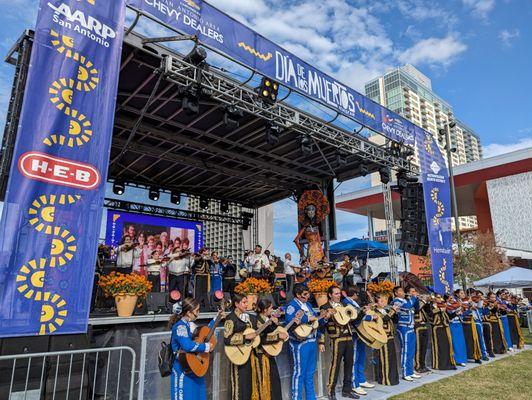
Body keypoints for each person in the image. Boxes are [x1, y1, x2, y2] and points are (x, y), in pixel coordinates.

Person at [168, 298, 223, 400]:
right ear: (189, 313)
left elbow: (203, 334)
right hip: (182, 371)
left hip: (194, 369)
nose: (198, 313)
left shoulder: (190, 325)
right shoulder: (180, 327)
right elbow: (187, 345)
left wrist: (217, 319)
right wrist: (205, 347)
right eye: (197, 311)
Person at [286, 283, 329, 400]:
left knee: (310, 373)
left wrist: (323, 319)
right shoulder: (292, 306)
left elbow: (316, 323)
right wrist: (307, 318)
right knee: (299, 373)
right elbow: (289, 321)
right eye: (305, 294)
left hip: (312, 340)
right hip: (299, 343)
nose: (308, 296)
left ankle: (311, 397)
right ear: (298, 294)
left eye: (308, 293)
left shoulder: (309, 305)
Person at [320, 285, 357, 399]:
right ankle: (331, 392)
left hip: (348, 337)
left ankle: (347, 390)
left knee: (349, 364)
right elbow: (321, 325)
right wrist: (321, 341)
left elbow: (353, 318)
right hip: (336, 338)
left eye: (339, 293)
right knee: (335, 365)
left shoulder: (345, 305)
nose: (338, 295)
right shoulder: (324, 306)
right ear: (330, 295)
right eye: (336, 293)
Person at [224, 293, 260, 400]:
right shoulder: (231, 318)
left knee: (250, 384)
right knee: (240, 386)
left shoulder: (249, 317)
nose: (246, 305)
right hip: (238, 355)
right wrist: (245, 337)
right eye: (244, 302)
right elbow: (227, 339)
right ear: (236, 304)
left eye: (247, 302)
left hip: (250, 355)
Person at [343, 286, 375, 396]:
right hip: (354, 333)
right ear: (355, 294)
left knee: (361, 356)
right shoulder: (346, 303)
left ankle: (361, 379)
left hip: (360, 332)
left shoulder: (354, 302)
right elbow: (354, 318)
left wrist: (367, 310)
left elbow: (360, 314)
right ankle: (354, 384)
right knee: (355, 358)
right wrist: (369, 317)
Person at [256, 298, 287, 400]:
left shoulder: (269, 319)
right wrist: (278, 337)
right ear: (264, 310)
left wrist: (276, 323)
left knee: (275, 382)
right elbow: (261, 338)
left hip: (270, 353)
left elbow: (275, 330)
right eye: (270, 308)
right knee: (265, 382)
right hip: (261, 355)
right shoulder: (257, 321)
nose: (272, 309)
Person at [392, 286, 420, 381]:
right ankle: (405, 373)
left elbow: (416, 309)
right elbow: (407, 307)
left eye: (403, 291)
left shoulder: (406, 300)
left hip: (411, 326)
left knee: (411, 350)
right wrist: (413, 297)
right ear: (396, 293)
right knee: (406, 350)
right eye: (400, 291)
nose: (403, 292)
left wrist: (416, 299)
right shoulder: (396, 301)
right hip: (403, 327)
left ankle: (410, 371)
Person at [374, 293, 400, 386]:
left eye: (385, 300)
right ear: (376, 302)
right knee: (384, 358)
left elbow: (394, 320)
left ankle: (393, 378)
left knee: (392, 358)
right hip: (383, 337)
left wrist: (395, 312)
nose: (384, 302)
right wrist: (393, 310)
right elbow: (384, 319)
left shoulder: (385, 310)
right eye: (382, 300)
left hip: (390, 336)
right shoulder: (375, 312)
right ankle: (385, 379)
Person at [455, 289, 483, 363]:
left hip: (470, 322)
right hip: (463, 323)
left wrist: (472, 304)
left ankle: (476, 356)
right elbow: (462, 314)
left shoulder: (467, 301)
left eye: (463, 293)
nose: (463, 294)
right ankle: (467, 356)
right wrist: (470, 309)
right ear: (457, 294)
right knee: (466, 340)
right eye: (461, 293)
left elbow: (477, 307)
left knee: (474, 339)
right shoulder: (458, 302)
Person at [429, 295, 456, 370]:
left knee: (447, 346)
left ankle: (448, 363)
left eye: (440, 297)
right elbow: (430, 314)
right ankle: (439, 365)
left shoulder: (443, 306)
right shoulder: (430, 305)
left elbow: (449, 316)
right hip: (437, 328)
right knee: (439, 347)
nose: (440, 299)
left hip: (445, 327)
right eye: (438, 297)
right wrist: (440, 310)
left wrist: (456, 312)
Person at [408, 287, 432, 374]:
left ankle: (423, 365)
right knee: (418, 347)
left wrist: (428, 302)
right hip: (416, 325)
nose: (415, 293)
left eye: (415, 291)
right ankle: (417, 366)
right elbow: (417, 310)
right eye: (413, 291)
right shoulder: (409, 301)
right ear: (409, 293)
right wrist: (423, 301)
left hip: (424, 325)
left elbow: (429, 312)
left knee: (424, 347)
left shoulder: (418, 300)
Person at [446, 294, 467, 367]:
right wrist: (456, 313)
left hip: (459, 324)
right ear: (447, 299)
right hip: (452, 325)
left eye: (453, 298)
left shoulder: (457, 305)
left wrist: (462, 311)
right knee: (455, 343)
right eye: (450, 298)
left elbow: (462, 314)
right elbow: (449, 316)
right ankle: (456, 359)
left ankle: (462, 359)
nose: (452, 300)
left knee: (461, 342)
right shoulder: (447, 306)